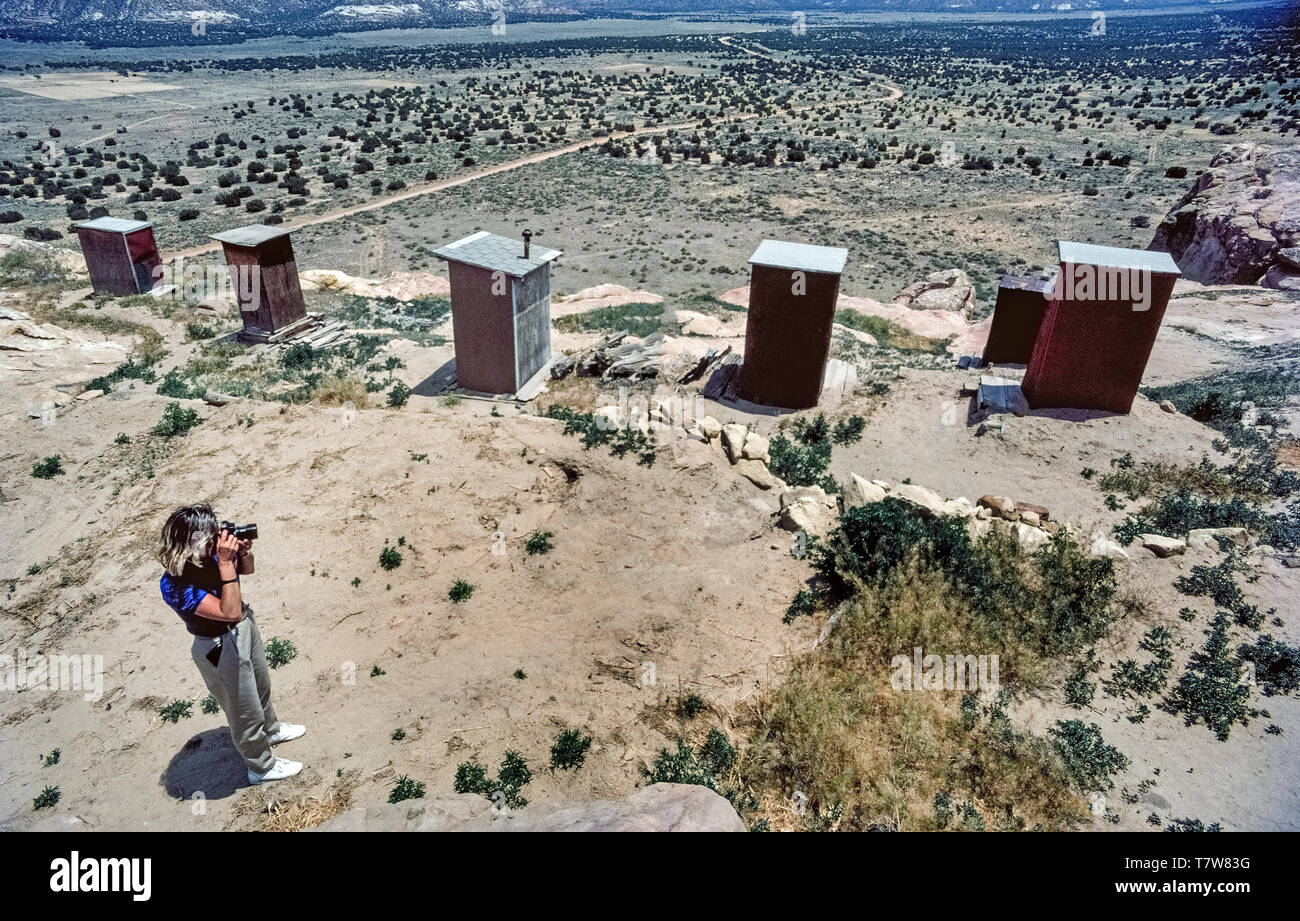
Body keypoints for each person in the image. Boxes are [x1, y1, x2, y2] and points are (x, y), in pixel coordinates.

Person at [158, 505, 305, 785]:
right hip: (219, 647)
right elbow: (229, 612)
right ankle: (260, 767)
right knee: (243, 708)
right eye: (211, 537)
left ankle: (270, 730)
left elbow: (246, 571)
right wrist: (225, 563)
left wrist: (241, 555)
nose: (217, 540)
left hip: (243, 629)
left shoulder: (211, 556)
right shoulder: (174, 584)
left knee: (260, 687)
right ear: (192, 543)